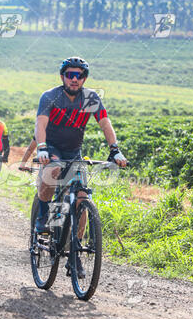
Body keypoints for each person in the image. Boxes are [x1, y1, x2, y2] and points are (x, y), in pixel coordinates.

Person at [35, 56, 127, 238]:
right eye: (70, 74)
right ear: (63, 77)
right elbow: (40, 124)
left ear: (84, 78)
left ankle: (76, 248)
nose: (74, 79)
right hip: (52, 147)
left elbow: (105, 124)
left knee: (82, 197)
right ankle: (43, 215)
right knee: (53, 171)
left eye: (79, 75)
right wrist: (42, 147)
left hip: (74, 151)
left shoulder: (89, 98)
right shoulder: (51, 96)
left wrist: (115, 150)